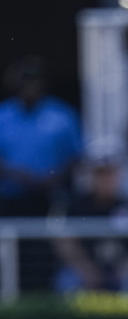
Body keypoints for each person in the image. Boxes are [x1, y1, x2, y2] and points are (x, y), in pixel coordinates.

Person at [0, 55, 84, 290]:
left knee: (48, 251)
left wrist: (54, 176)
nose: (29, 87)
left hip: (51, 197)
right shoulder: (3, 116)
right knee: (12, 251)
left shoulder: (62, 116)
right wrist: (20, 176)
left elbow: (76, 155)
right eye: (24, 81)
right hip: (10, 199)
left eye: (34, 81)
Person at [52, 150, 128, 293]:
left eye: (110, 174)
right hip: (84, 269)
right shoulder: (75, 207)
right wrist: (86, 269)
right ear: (91, 176)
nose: (105, 179)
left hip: (123, 270)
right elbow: (64, 242)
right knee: (67, 282)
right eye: (100, 174)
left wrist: (126, 269)